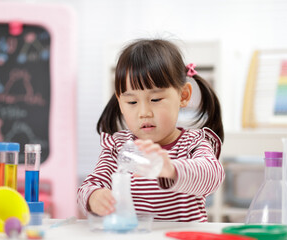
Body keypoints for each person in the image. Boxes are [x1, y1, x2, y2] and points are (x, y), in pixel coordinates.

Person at [77, 38, 225, 222]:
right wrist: (94, 197)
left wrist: (170, 169)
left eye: (155, 100)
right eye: (132, 102)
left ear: (183, 95)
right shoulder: (118, 147)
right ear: (121, 103)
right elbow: (89, 185)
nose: (144, 113)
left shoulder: (193, 143)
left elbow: (212, 176)